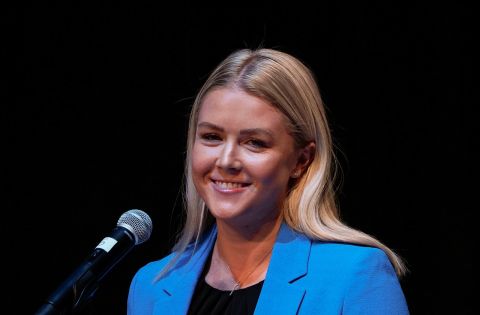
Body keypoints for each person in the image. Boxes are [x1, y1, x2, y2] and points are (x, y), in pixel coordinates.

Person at [127, 48, 409, 314]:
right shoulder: (150, 286)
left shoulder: (354, 276)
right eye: (212, 137)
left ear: (301, 160)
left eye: (255, 143)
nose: (226, 161)